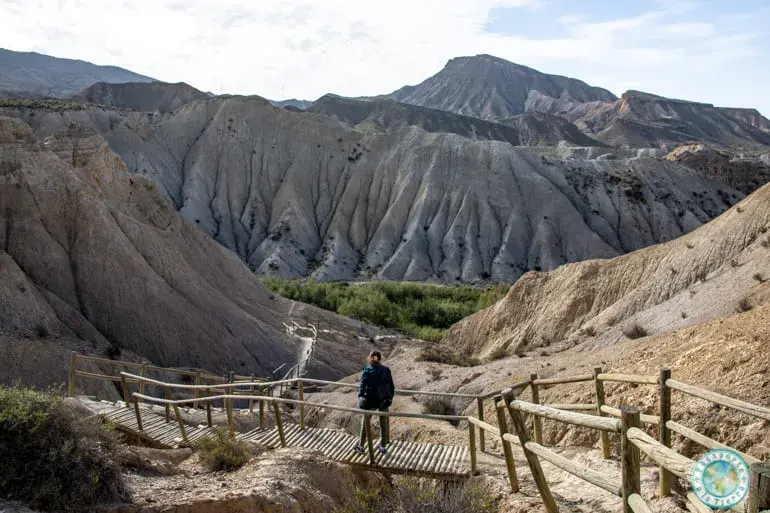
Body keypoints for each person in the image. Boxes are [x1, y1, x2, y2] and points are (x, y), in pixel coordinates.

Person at [354, 350, 395, 455]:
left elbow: (363, 386)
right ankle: (382, 446)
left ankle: (361, 446)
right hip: (384, 400)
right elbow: (391, 386)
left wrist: (361, 397)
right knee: (383, 423)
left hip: (370, 401)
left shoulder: (367, 370)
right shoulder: (386, 370)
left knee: (365, 423)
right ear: (380, 358)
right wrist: (389, 399)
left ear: (370, 358)